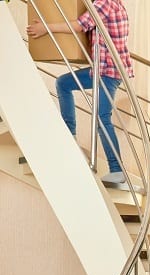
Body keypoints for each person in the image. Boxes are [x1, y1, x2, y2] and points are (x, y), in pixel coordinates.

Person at [26, 0, 134, 184]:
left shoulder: (104, 2)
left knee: (102, 118)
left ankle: (117, 170)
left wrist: (46, 27)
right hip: (101, 70)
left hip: (109, 71)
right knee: (64, 83)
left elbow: (78, 25)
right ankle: (70, 135)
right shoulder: (113, 3)